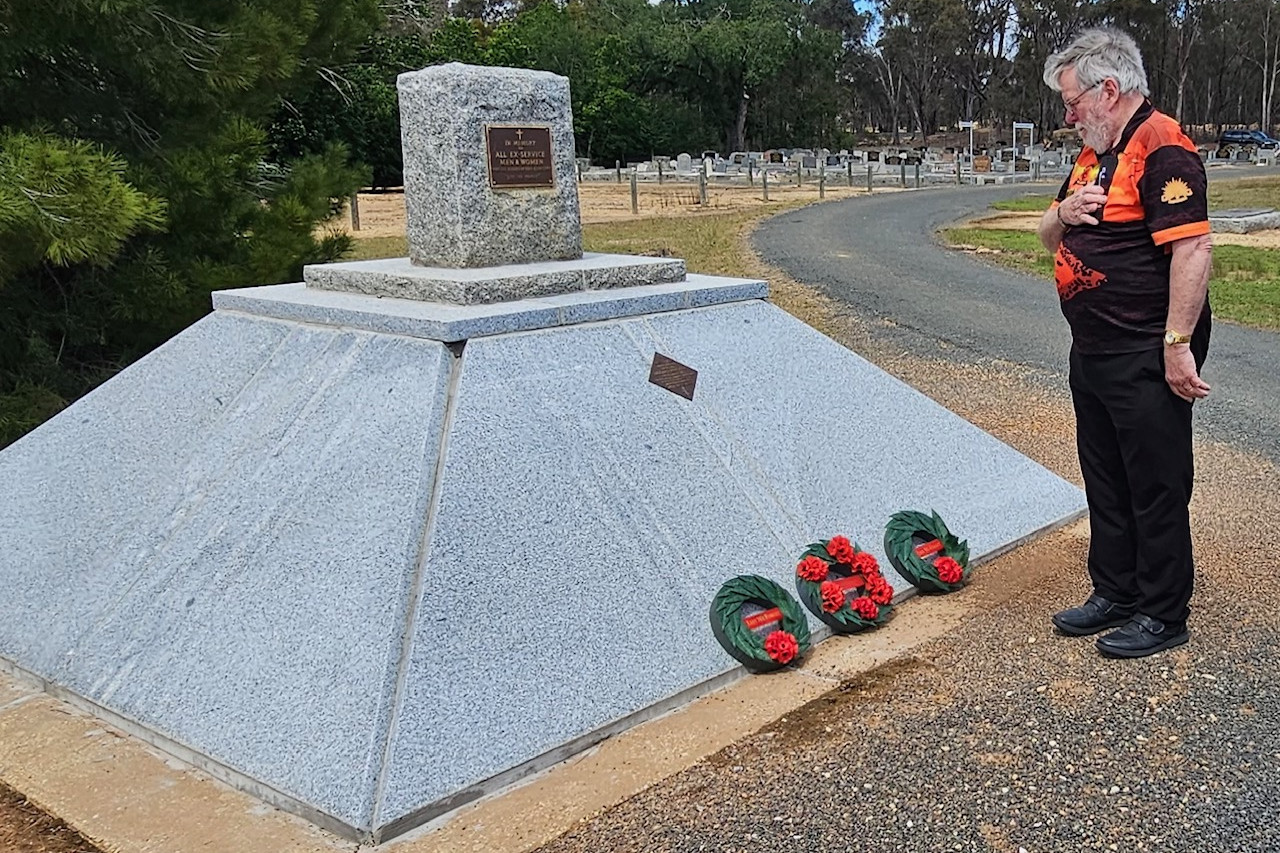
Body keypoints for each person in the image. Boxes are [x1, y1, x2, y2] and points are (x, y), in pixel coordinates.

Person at [1037, 27, 1213, 659]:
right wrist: (1065, 214)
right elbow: (1045, 234)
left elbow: (1193, 246)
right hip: (1095, 346)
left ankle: (1164, 612)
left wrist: (1176, 344)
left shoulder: (1161, 144)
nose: (1068, 114)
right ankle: (1115, 590)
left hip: (1145, 343)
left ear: (1107, 90)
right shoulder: (1094, 153)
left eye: (1072, 100)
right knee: (1105, 474)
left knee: (1156, 479)